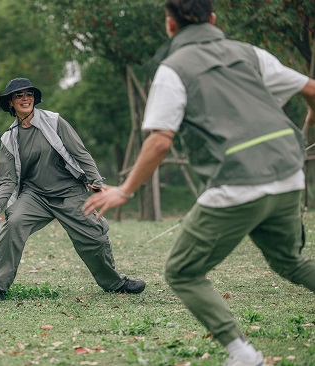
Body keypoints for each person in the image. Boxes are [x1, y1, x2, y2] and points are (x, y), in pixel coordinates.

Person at [83, 1, 315, 365]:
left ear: (170, 26)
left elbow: (160, 140)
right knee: (290, 262)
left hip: (237, 183)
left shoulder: (172, 70)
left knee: (182, 271)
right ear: (213, 19)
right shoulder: (251, 53)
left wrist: (125, 190)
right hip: (288, 176)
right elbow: (311, 89)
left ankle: (243, 355)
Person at [0, 77, 146, 301]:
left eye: (28, 94)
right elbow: (7, 180)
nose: (25, 98)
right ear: (10, 103)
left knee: (94, 235)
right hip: (35, 196)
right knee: (14, 225)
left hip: (69, 190)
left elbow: (80, 153)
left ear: (34, 98)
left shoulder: (55, 121)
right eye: (19, 95)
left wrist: (96, 182)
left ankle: (114, 283)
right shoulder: (9, 139)